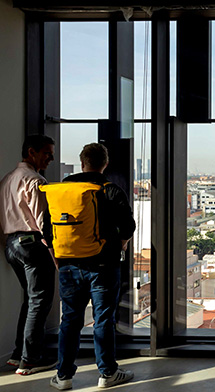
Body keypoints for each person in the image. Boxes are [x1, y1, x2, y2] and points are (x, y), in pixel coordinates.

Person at [46, 143, 136, 390]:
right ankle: (107, 373)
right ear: (104, 164)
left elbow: (46, 228)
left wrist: (57, 256)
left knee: (70, 320)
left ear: (81, 162)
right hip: (103, 264)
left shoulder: (60, 191)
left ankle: (63, 376)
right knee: (103, 319)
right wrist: (122, 244)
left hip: (68, 264)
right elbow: (128, 226)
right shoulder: (110, 190)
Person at [0, 134, 58, 375]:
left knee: (31, 300)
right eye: (47, 152)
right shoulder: (35, 180)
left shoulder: (7, 180)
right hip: (32, 244)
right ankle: (31, 358)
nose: (51, 158)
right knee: (39, 301)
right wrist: (55, 255)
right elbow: (42, 222)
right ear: (31, 152)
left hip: (11, 245)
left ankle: (18, 354)